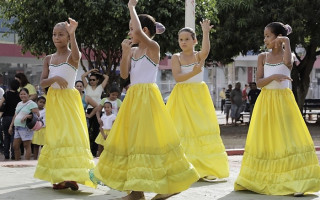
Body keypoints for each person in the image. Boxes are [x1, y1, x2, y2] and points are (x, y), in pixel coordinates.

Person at [92, 1, 199, 199]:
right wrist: (125, 53)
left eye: (132, 29)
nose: (130, 33)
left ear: (145, 30)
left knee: (151, 140)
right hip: (133, 98)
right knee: (133, 142)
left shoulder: (153, 47)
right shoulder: (133, 51)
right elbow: (124, 73)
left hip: (148, 98)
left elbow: (140, 34)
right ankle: (136, 191)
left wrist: (131, 7)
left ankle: (171, 184)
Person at [234, 22, 320, 196]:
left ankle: (297, 182)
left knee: (288, 139)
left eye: (268, 36)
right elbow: (258, 83)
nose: (265, 39)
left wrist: (286, 42)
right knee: (266, 139)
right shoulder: (262, 57)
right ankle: (260, 180)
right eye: (264, 36)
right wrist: (273, 76)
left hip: (283, 102)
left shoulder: (289, 54)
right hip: (265, 101)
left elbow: (288, 63)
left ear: (279, 37)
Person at [34, 18, 96, 190]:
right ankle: (61, 177)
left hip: (69, 101)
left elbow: (77, 56)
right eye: (54, 34)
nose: (56, 37)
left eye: (61, 34)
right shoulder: (49, 58)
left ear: (68, 37)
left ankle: (73, 175)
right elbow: (42, 83)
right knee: (56, 137)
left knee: (71, 135)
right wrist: (54, 78)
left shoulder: (71, 55)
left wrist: (73, 32)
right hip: (54, 101)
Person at [166, 20, 229, 182]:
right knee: (181, 130)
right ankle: (182, 168)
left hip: (199, 98)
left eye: (187, 39)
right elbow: (178, 78)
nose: (183, 42)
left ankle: (205, 168)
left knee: (202, 130)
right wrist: (193, 72)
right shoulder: (176, 57)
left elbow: (206, 50)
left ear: (194, 41)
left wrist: (206, 32)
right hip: (181, 98)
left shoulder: (198, 55)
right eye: (180, 39)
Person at [81, 69, 109, 157]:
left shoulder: (101, 87)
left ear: (97, 80)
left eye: (94, 79)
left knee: (96, 131)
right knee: (87, 131)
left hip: (98, 111)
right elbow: (82, 76)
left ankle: (94, 152)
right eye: (90, 80)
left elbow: (106, 77)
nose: (91, 81)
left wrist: (98, 73)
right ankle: (87, 151)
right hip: (89, 110)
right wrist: (91, 71)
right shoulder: (87, 87)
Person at [9, 88, 39, 160]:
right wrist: (11, 126)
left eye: (24, 94)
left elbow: (37, 115)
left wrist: (27, 116)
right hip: (17, 127)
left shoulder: (32, 103)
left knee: (26, 145)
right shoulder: (19, 103)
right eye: (21, 94)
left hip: (26, 127)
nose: (22, 96)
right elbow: (15, 115)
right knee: (15, 146)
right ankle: (17, 162)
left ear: (28, 95)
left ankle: (26, 163)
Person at [0, 80, 21, 160]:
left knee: (6, 137)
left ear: (10, 86)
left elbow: (0, 104)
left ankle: (6, 154)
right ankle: (13, 155)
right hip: (15, 118)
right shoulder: (19, 95)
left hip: (5, 118)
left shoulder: (6, 94)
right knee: (13, 137)